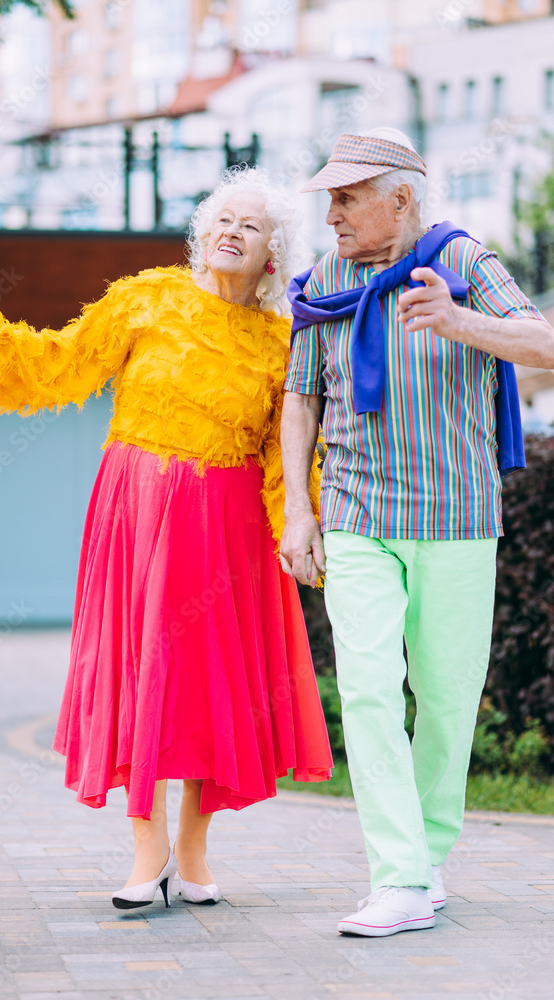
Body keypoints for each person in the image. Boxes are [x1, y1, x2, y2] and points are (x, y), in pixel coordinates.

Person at [0, 167, 333, 912]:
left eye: (250, 225)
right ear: (201, 233)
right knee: (142, 673)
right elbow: (63, 362)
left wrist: (295, 533)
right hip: (137, 514)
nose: (230, 231)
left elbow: (286, 455)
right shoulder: (146, 296)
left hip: (227, 526)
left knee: (209, 688)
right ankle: (145, 853)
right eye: (221, 218)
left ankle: (193, 850)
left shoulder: (283, 341)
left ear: (273, 253)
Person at [279, 127, 554, 937]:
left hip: (457, 516)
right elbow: (301, 399)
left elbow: (542, 340)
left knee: (444, 698)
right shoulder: (324, 282)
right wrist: (299, 508)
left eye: (346, 196)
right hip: (358, 513)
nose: (331, 213)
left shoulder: (464, 261)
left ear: (399, 197)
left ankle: (428, 860)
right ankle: (395, 875)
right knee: (365, 689)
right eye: (328, 196)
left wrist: (457, 321)